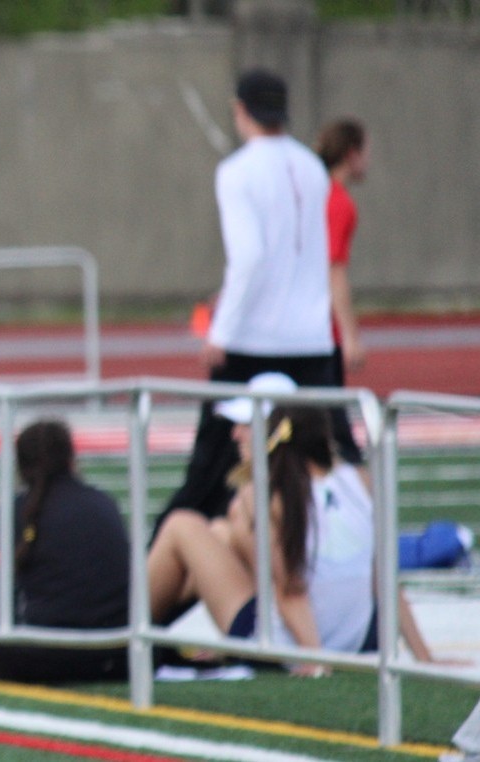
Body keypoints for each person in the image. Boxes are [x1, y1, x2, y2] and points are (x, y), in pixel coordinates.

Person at [149, 403, 458, 675]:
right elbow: (386, 581)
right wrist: (425, 657)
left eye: (245, 426)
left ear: (270, 434)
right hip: (359, 638)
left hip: (292, 646)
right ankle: (144, 636)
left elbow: (288, 589)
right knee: (221, 534)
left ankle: (123, 635)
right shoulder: (361, 481)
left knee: (181, 525)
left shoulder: (262, 495)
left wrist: (314, 658)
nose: (235, 435)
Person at [166, 68, 336, 522]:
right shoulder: (313, 167)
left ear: (242, 111)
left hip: (253, 338)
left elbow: (250, 258)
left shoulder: (237, 172)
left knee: (209, 471)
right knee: (331, 461)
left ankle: (163, 576)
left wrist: (220, 332)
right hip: (313, 338)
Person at [0, 419, 129, 683]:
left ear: (21, 468)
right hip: (117, 658)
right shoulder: (103, 502)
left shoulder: (20, 508)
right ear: (72, 458)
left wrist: (0, 573)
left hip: (39, 663)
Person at [315, 117, 370, 466]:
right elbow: (333, 270)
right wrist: (350, 335)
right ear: (351, 154)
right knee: (335, 430)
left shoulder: (317, 193)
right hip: (322, 330)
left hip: (306, 325)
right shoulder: (338, 202)